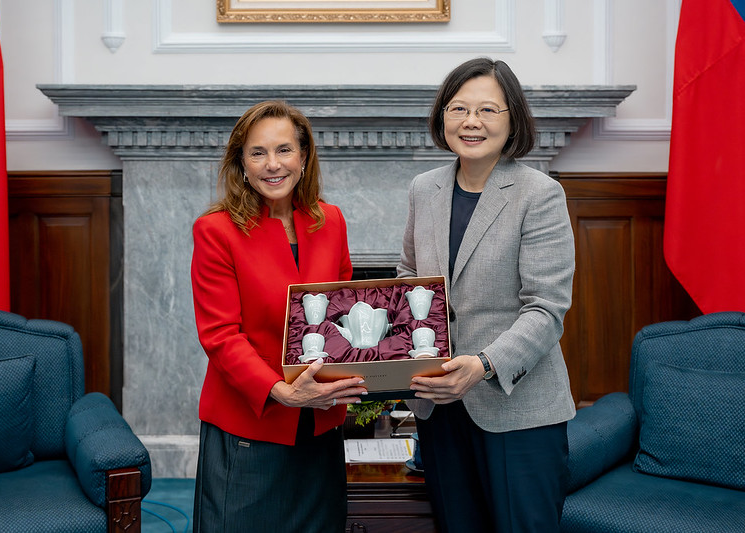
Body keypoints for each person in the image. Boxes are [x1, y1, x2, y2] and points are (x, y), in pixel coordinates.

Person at [398, 57, 576, 532]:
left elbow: (547, 307)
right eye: (458, 108)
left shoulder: (539, 194)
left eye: (488, 110)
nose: (471, 121)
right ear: (442, 117)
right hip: (440, 405)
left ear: (512, 118)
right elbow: (411, 274)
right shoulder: (424, 188)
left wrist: (482, 365)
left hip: (516, 406)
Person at [190, 100, 367, 533]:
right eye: (257, 153)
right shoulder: (216, 230)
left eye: (284, 150)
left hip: (320, 423)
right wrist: (278, 391)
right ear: (242, 164)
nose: (273, 164)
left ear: (303, 158)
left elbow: (341, 317)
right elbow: (220, 335)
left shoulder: (332, 221)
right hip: (252, 426)